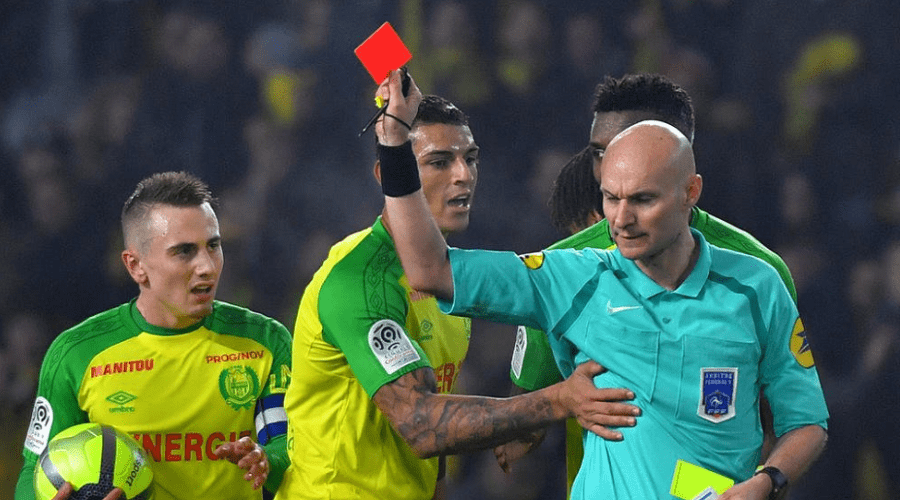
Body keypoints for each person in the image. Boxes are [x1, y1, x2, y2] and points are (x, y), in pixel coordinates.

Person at [376, 69, 828, 499]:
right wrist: (395, 145)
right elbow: (430, 270)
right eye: (612, 198)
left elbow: (806, 421)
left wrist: (768, 481)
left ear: (690, 192)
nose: (621, 219)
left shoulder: (757, 285)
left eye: (643, 200)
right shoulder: (573, 277)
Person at [274, 94, 636, 500]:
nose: (464, 175)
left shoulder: (448, 283)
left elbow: (435, 441)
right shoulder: (358, 281)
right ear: (388, 174)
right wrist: (557, 401)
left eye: (471, 158)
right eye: (440, 162)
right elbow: (421, 424)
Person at [498, 73, 799, 494]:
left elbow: (786, 422)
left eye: (627, 146)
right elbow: (520, 426)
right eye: (599, 152)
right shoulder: (560, 269)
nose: (611, 165)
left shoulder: (759, 273)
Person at [15, 171, 292, 500]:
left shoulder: (265, 341)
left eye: (213, 246)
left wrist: (266, 460)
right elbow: (34, 473)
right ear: (135, 266)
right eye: (184, 251)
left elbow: (291, 445)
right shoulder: (76, 354)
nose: (207, 266)